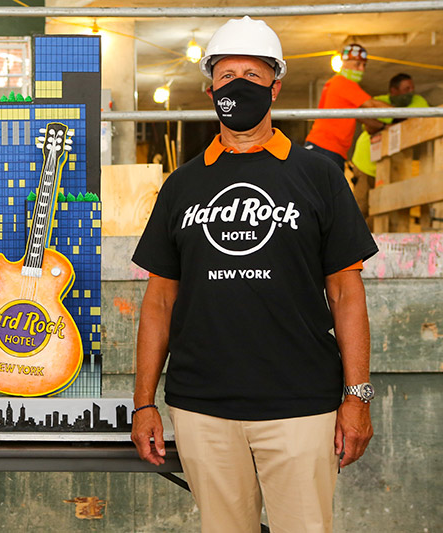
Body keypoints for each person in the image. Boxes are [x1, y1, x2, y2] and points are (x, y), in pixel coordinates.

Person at [130, 17, 378, 533]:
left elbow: (346, 293)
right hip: (201, 408)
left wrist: (357, 396)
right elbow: (158, 303)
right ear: (210, 87)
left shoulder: (318, 175)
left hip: (301, 405)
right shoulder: (182, 185)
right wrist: (144, 403)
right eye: (226, 75)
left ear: (275, 85)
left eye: (252, 72)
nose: (237, 84)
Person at [350, 73, 429, 217]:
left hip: (396, 165)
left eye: (412, 88)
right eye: (406, 88)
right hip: (366, 163)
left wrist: (390, 121)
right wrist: (386, 125)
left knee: (388, 210)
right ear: (394, 91)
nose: (411, 92)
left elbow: (421, 119)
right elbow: (366, 122)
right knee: (361, 208)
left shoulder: (418, 101)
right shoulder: (379, 101)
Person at [304, 43, 392, 170]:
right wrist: (404, 115)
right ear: (344, 63)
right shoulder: (343, 83)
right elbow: (372, 105)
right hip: (325, 149)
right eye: (358, 64)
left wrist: (383, 127)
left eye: (364, 65)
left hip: (328, 149)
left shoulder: (335, 83)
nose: (362, 69)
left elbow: (361, 117)